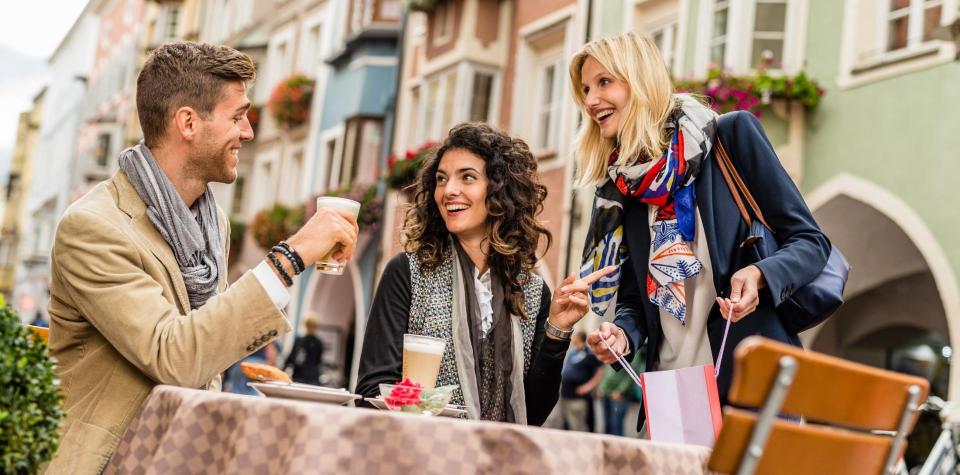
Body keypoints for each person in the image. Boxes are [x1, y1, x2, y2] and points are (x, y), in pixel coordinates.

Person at [45, 42, 359, 473]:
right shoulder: (95, 227)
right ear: (188, 123)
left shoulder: (211, 225)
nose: (249, 131)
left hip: (180, 456)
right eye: (237, 116)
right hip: (107, 463)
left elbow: (207, 350)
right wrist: (290, 257)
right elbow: (174, 355)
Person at [570, 33, 831, 431]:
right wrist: (621, 334)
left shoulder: (732, 137)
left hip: (751, 386)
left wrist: (761, 274)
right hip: (673, 397)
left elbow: (811, 242)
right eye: (586, 89)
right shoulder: (625, 186)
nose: (590, 101)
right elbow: (636, 301)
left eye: (604, 82)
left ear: (640, 81)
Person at [356, 122, 613, 425]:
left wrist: (557, 329)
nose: (449, 190)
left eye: (467, 177)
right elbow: (371, 391)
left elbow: (534, 413)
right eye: (441, 179)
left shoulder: (531, 291)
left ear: (500, 190)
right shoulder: (408, 273)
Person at [553, 331, 604, 432]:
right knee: (564, 425)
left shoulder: (589, 354)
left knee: (577, 426)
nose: (572, 338)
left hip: (578, 398)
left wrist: (588, 387)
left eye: (575, 336)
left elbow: (600, 372)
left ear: (580, 338)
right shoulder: (572, 352)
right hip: (565, 395)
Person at [283, 316, 326, 385]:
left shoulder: (300, 340)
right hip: (312, 377)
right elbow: (319, 361)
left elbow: (291, 358)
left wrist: (284, 369)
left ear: (305, 325)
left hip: (299, 375)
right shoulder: (318, 342)